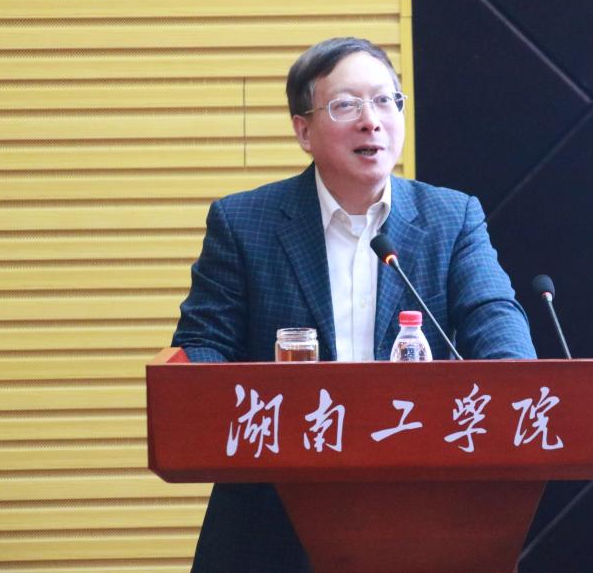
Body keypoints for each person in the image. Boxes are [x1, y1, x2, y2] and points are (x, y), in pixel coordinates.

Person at [171, 37, 535, 570]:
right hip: (273, 519)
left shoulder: (452, 218)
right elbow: (202, 346)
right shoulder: (244, 222)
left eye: (386, 101)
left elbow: (495, 320)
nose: (372, 121)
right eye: (346, 105)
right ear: (303, 130)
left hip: (422, 511)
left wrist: (513, 391)